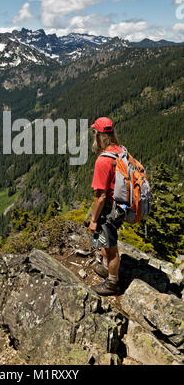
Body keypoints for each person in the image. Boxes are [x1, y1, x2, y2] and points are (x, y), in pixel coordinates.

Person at [89, 117, 124, 296]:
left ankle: (113, 283)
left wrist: (94, 220)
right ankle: (105, 268)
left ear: (99, 136)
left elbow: (101, 196)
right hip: (120, 207)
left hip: (109, 208)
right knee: (105, 240)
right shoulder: (120, 151)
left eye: (95, 133)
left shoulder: (103, 161)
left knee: (111, 248)